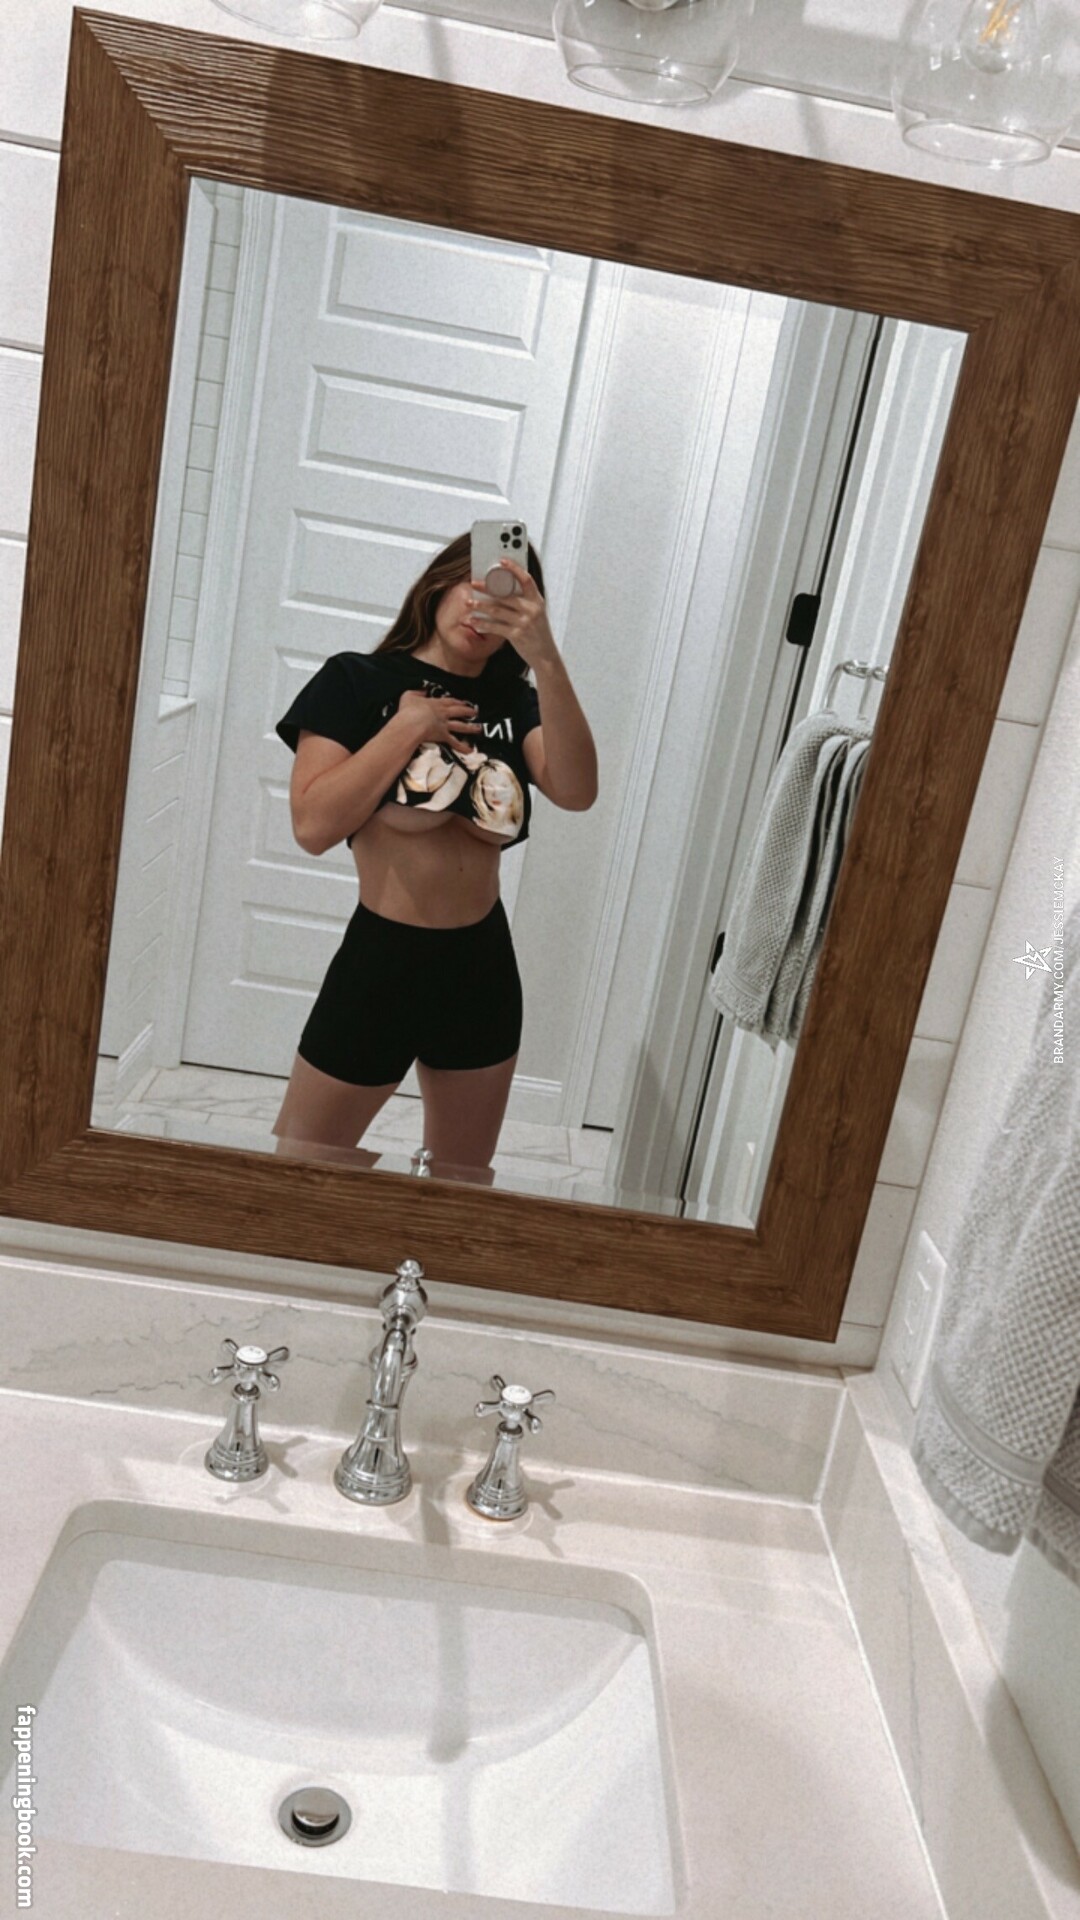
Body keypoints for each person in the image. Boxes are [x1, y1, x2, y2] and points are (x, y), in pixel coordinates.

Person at [272, 531, 598, 1175]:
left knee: (459, 1184)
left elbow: (577, 791)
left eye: (506, 603)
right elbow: (312, 826)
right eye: (475, 588)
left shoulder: (517, 704)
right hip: (380, 963)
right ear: (439, 584)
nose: (482, 612)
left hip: (480, 968)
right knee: (305, 1172)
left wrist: (545, 656)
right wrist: (408, 726)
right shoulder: (355, 680)